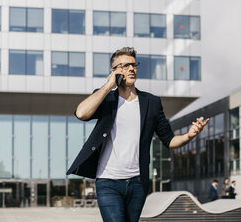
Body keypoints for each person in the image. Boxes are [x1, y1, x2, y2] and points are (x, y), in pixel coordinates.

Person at [66, 47, 209, 222]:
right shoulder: (107, 99)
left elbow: (169, 140)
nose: (131, 69)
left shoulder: (152, 102)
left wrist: (189, 135)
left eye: (133, 65)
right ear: (115, 71)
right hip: (108, 182)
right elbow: (81, 113)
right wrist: (109, 85)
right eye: (125, 66)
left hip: (137, 183)